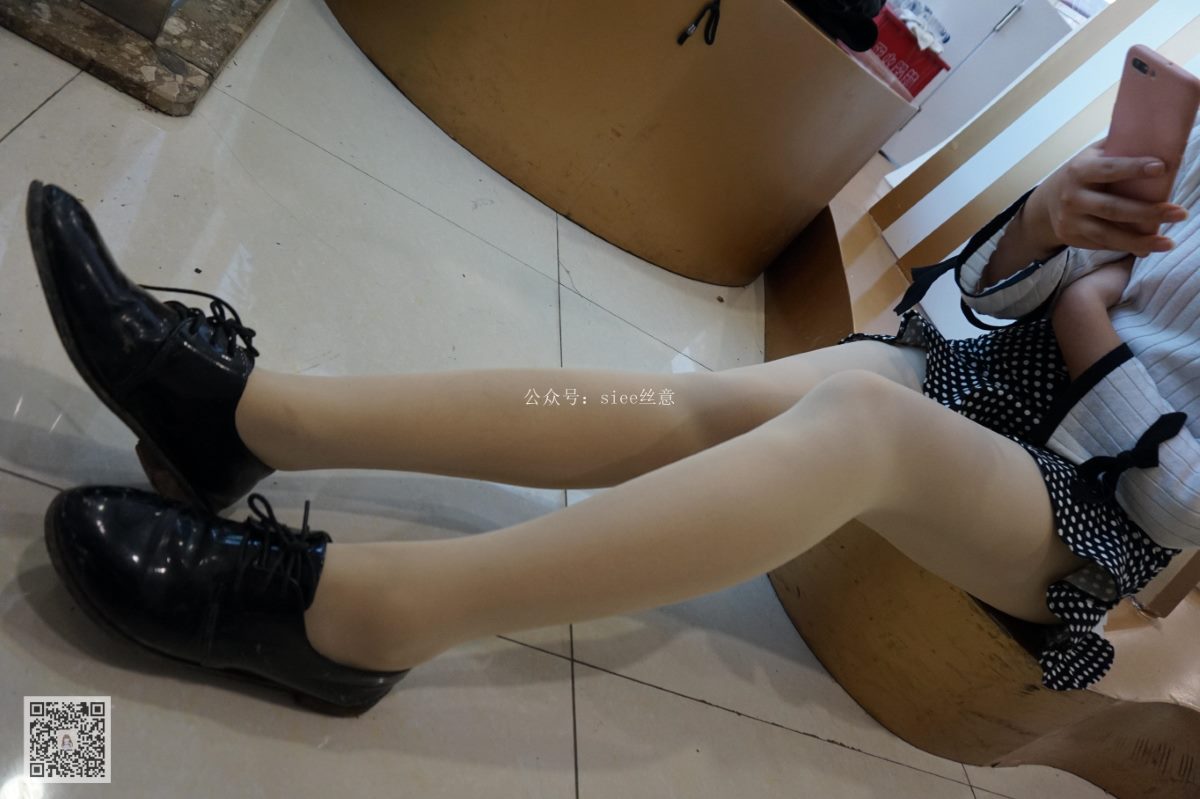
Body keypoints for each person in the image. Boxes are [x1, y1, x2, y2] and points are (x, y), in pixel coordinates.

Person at [27, 119, 1200, 715]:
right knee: (697, 403)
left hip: (1087, 522)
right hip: (976, 384)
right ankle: (250, 421)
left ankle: (368, 618)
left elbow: (1182, 500)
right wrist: (1042, 225)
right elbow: (968, 303)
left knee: (860, 421)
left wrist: (1084, 318)